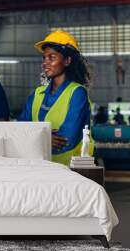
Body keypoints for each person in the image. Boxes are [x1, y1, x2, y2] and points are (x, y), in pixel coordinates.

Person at [19, 29, 93, 166]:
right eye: (44, 58)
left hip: (69, 172)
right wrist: (45, 138)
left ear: (67, 61)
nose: (45, 63)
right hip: (38, 168)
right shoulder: (37, 94)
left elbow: (66, 140)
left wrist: (32, 137)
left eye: (51, 57)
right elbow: (19, 131)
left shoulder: (77, 93)